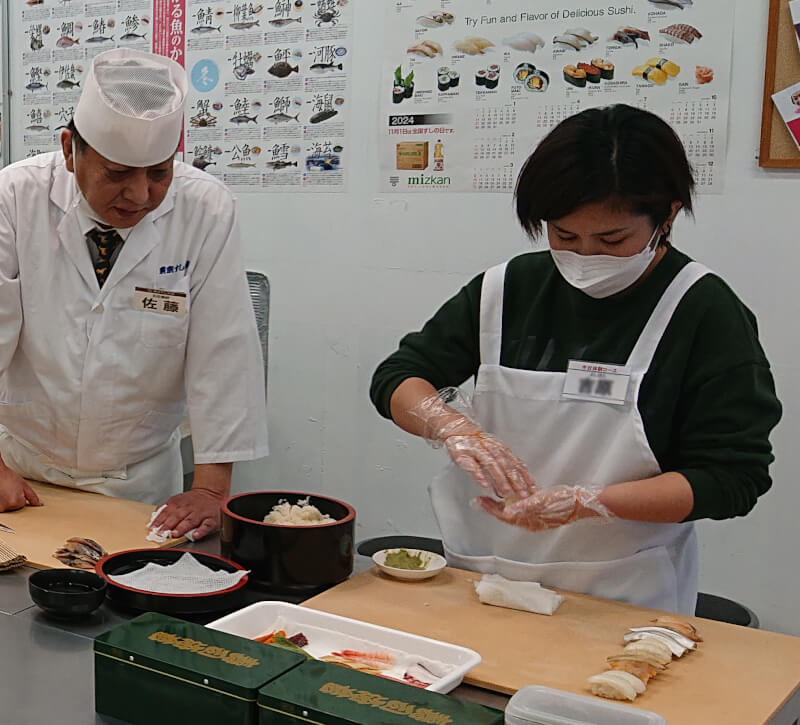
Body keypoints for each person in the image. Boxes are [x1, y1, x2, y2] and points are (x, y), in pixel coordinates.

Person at [370, 104, 781, 614]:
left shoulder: (702, 310)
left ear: (667, 217)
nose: (585, 257)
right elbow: (398, 377)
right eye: (564, 236)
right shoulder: (508, 288)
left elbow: (733, 477)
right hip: (484, 577)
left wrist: (591, 502)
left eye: (612, 240)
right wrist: (451, 426)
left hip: (623, 597)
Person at [0, 49, 268, 540]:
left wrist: (210, 490)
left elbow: (224, 350)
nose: (141, 196)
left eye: (159, 173)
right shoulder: (15, 199)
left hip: (142, 489)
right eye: (118, 174)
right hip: (22, 479)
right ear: (68, 150)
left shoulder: (205, 209)